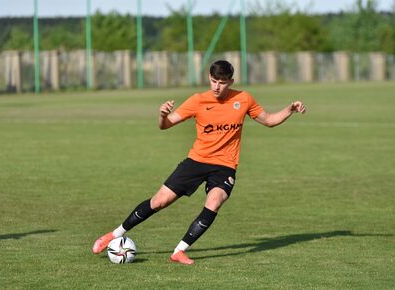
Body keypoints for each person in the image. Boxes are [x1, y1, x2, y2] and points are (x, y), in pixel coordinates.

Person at [92, 60, 306, 265]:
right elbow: (166, 125)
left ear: (230, 82)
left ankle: (179, 251)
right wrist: (162, 115)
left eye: (222, 83)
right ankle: (114, 234)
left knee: (214, 202)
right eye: (213, 81)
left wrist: (290, 109)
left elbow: (269, 120)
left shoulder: (244, 99)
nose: (217, 87)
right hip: (196, 161)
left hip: (225, 166)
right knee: (159, 201)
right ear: (209, 78)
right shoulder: (197, 100)